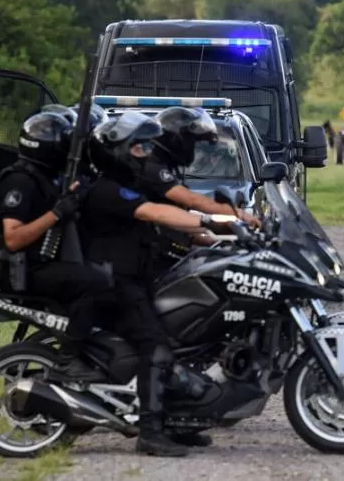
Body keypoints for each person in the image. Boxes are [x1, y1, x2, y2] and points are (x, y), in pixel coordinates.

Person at [83, 111, 238, 457]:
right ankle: (151, 431)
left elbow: (164, 225)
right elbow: (159, 214)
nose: (144, 154)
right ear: (117, 152)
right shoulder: (108, 190)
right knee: (156, 345)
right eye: (137, 148)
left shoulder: (120, 186)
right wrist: (218, 219)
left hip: (131, 279)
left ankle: (175, 423)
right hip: (114, 285)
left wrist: (214, 234)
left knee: (174, 337)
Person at [0, 111, 112, 381]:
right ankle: (69, 359)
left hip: (38, 265)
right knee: (96, 283)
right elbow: (13, 238)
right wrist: (57, 213)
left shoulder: (43, 177)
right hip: (21, 272)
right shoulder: (20, 181)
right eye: (62, 146)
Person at [127, 106, 260, 278]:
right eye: (193, 143)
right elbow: (191, 200)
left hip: (167, 257)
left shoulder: (167, 168)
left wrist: (225, 242)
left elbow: (181, 226)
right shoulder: (152, 168)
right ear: (177, 141)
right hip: (146, 264)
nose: (193, 149)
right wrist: (240, 215)